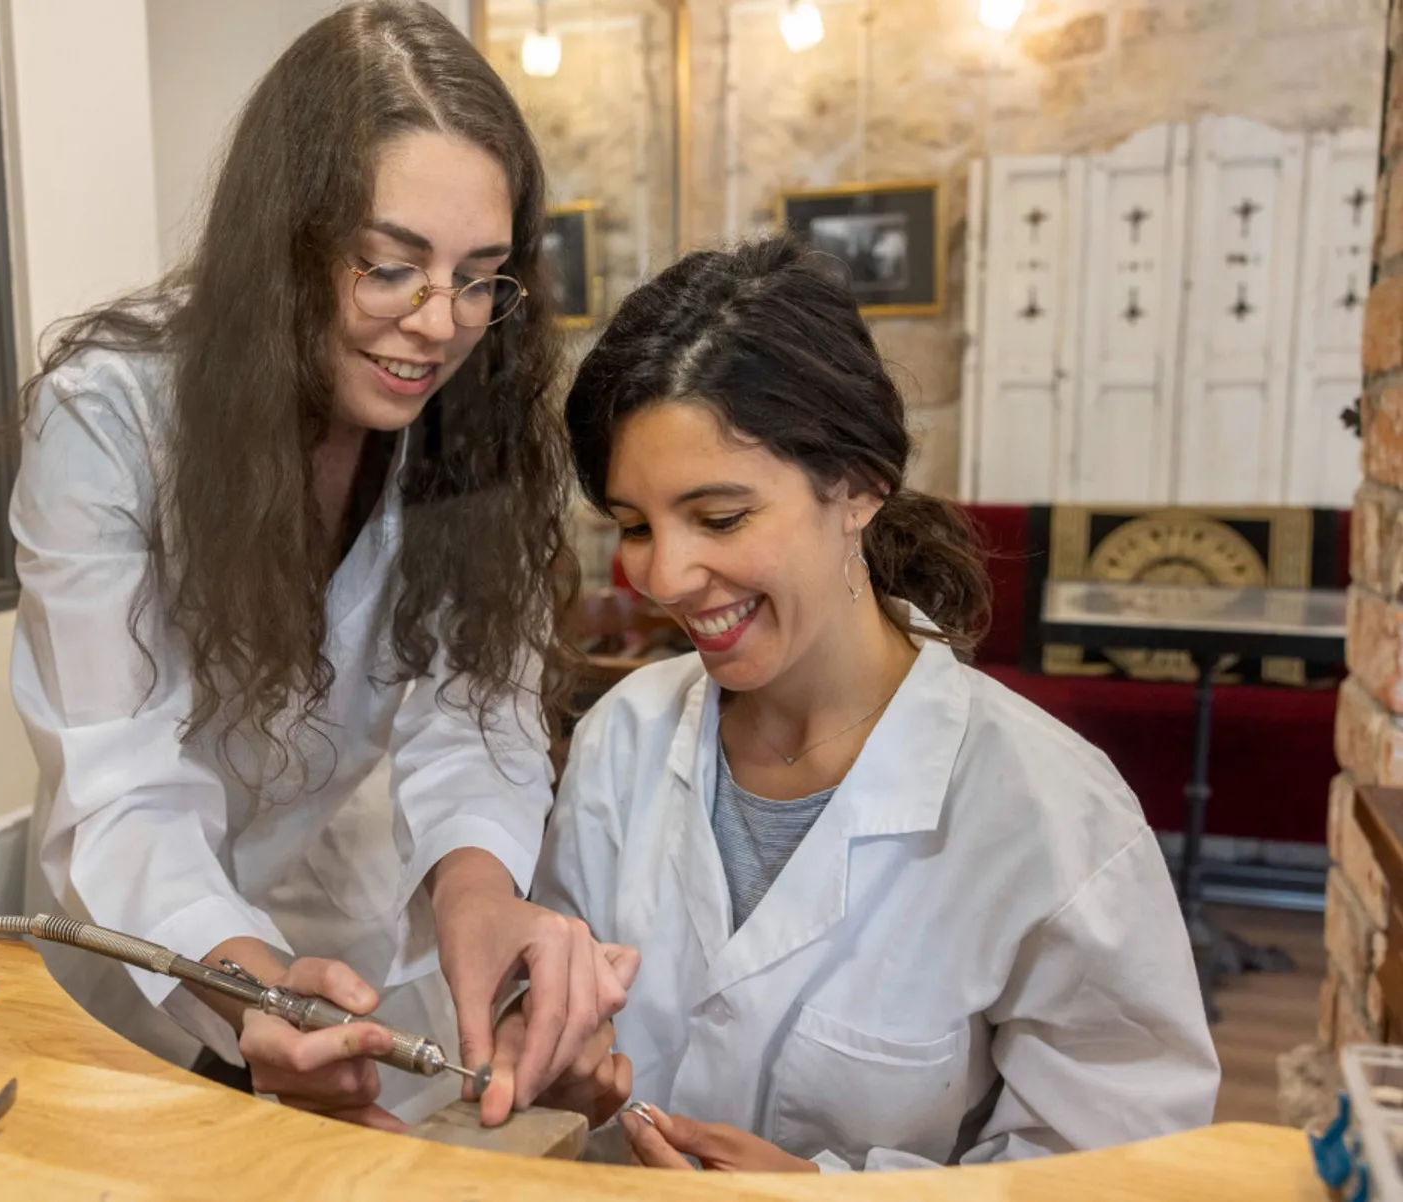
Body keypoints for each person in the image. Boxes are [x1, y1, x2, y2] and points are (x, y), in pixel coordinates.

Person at [9, 1, 629, 1131]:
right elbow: (121, 784)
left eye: (480, 276)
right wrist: (244, 976)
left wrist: (480, 891)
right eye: (392, 267)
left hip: (332, 937)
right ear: (282, 242)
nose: (440, 324)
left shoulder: (465, 415)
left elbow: (472, 704)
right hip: (138, 965)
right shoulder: (110, 418)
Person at [522, 234, 1219, 1170]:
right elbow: (560, 1021)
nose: (666, 575)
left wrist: (832, 1195)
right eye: (636, 527)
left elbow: (1127, 1167)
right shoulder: (624, 742)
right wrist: (558, 1074)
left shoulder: (1049, 809)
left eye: (720, 518)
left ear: (855, 487)